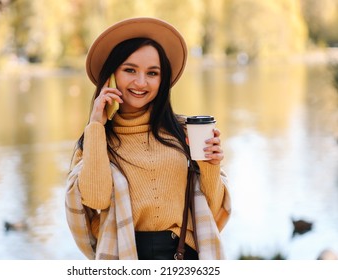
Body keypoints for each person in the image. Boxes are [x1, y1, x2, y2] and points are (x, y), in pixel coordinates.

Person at [65, 17, 231, 260]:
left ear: (162, 80)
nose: (141, 83)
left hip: (186, 257)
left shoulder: (184, 132)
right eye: (130, 70)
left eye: (152, 73)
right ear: (110, 75)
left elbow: (212, 213)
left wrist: (211, 167)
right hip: (127, 257)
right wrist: (96, 126)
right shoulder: (94, 141)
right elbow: (96, 199)